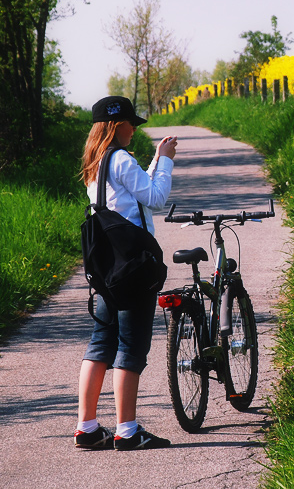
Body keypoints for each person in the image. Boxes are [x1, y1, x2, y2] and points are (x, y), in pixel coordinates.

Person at [74, 96, 177, 450]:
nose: (135, 128)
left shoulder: (96, 162)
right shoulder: (120, 159)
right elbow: (156, 198)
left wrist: (152, 161)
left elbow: (133, 193)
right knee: (131, 347)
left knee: (100, 344)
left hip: (107, 268)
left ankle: (86, 428)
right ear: (116, 125)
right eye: (131, 122)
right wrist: (165, 163)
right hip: (132, 266)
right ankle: (128, 432)